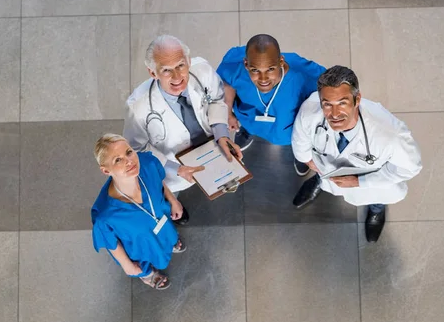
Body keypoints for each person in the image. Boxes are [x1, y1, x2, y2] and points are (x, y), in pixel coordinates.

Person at [292, 66, 422, 242]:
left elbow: (409, 169)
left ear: (357, 99)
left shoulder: (391, 134)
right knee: (325, 174)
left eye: (342, 103)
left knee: (377, 196)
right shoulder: (310, 111)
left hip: (372, 182)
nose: (335, 114)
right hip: (326, 171)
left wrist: (359, 181)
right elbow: (300, 139)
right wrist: (307, 160)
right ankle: (318, 181)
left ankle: (376, 210)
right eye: (327, 104)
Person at [123, 35, 242, 224]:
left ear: (188, 61)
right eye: (166, 71)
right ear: (153, 73)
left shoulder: (201, 70)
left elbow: (218, 99)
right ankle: (173, 205)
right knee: (172, 193)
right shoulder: (138, 106)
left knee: (221, 174)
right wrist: (176, 169)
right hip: (173, 166)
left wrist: (222, 135)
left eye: (180, 65)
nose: (178, 77)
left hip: (212, 146)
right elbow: (136, 149)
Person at [217, 34, 325, 177]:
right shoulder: (234, 63)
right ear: (246, 64)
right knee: (249, 126)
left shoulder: (307, 74)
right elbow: (227, 81)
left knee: (299, 147)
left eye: (270, 69)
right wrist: (228, 111)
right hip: (249, 119)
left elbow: (331, 94)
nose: (263, 79)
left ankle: (299, 154)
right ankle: (248, 132)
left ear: (281, 61)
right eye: (255, 70)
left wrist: (305, 154)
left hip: (291, 131)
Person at [91, 134, 187, 290]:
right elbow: (111, 243)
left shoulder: (147, 163)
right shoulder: (106, 215)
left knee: (168, 235)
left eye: (128, 152)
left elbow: (159, 181)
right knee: (142, 262)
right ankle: (148, 275)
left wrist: (173, 200)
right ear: (106, 171)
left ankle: (169, 243)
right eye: (118, 160)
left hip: (162, 222)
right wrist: (126, 265)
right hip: (140, 245)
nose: (129, 161)